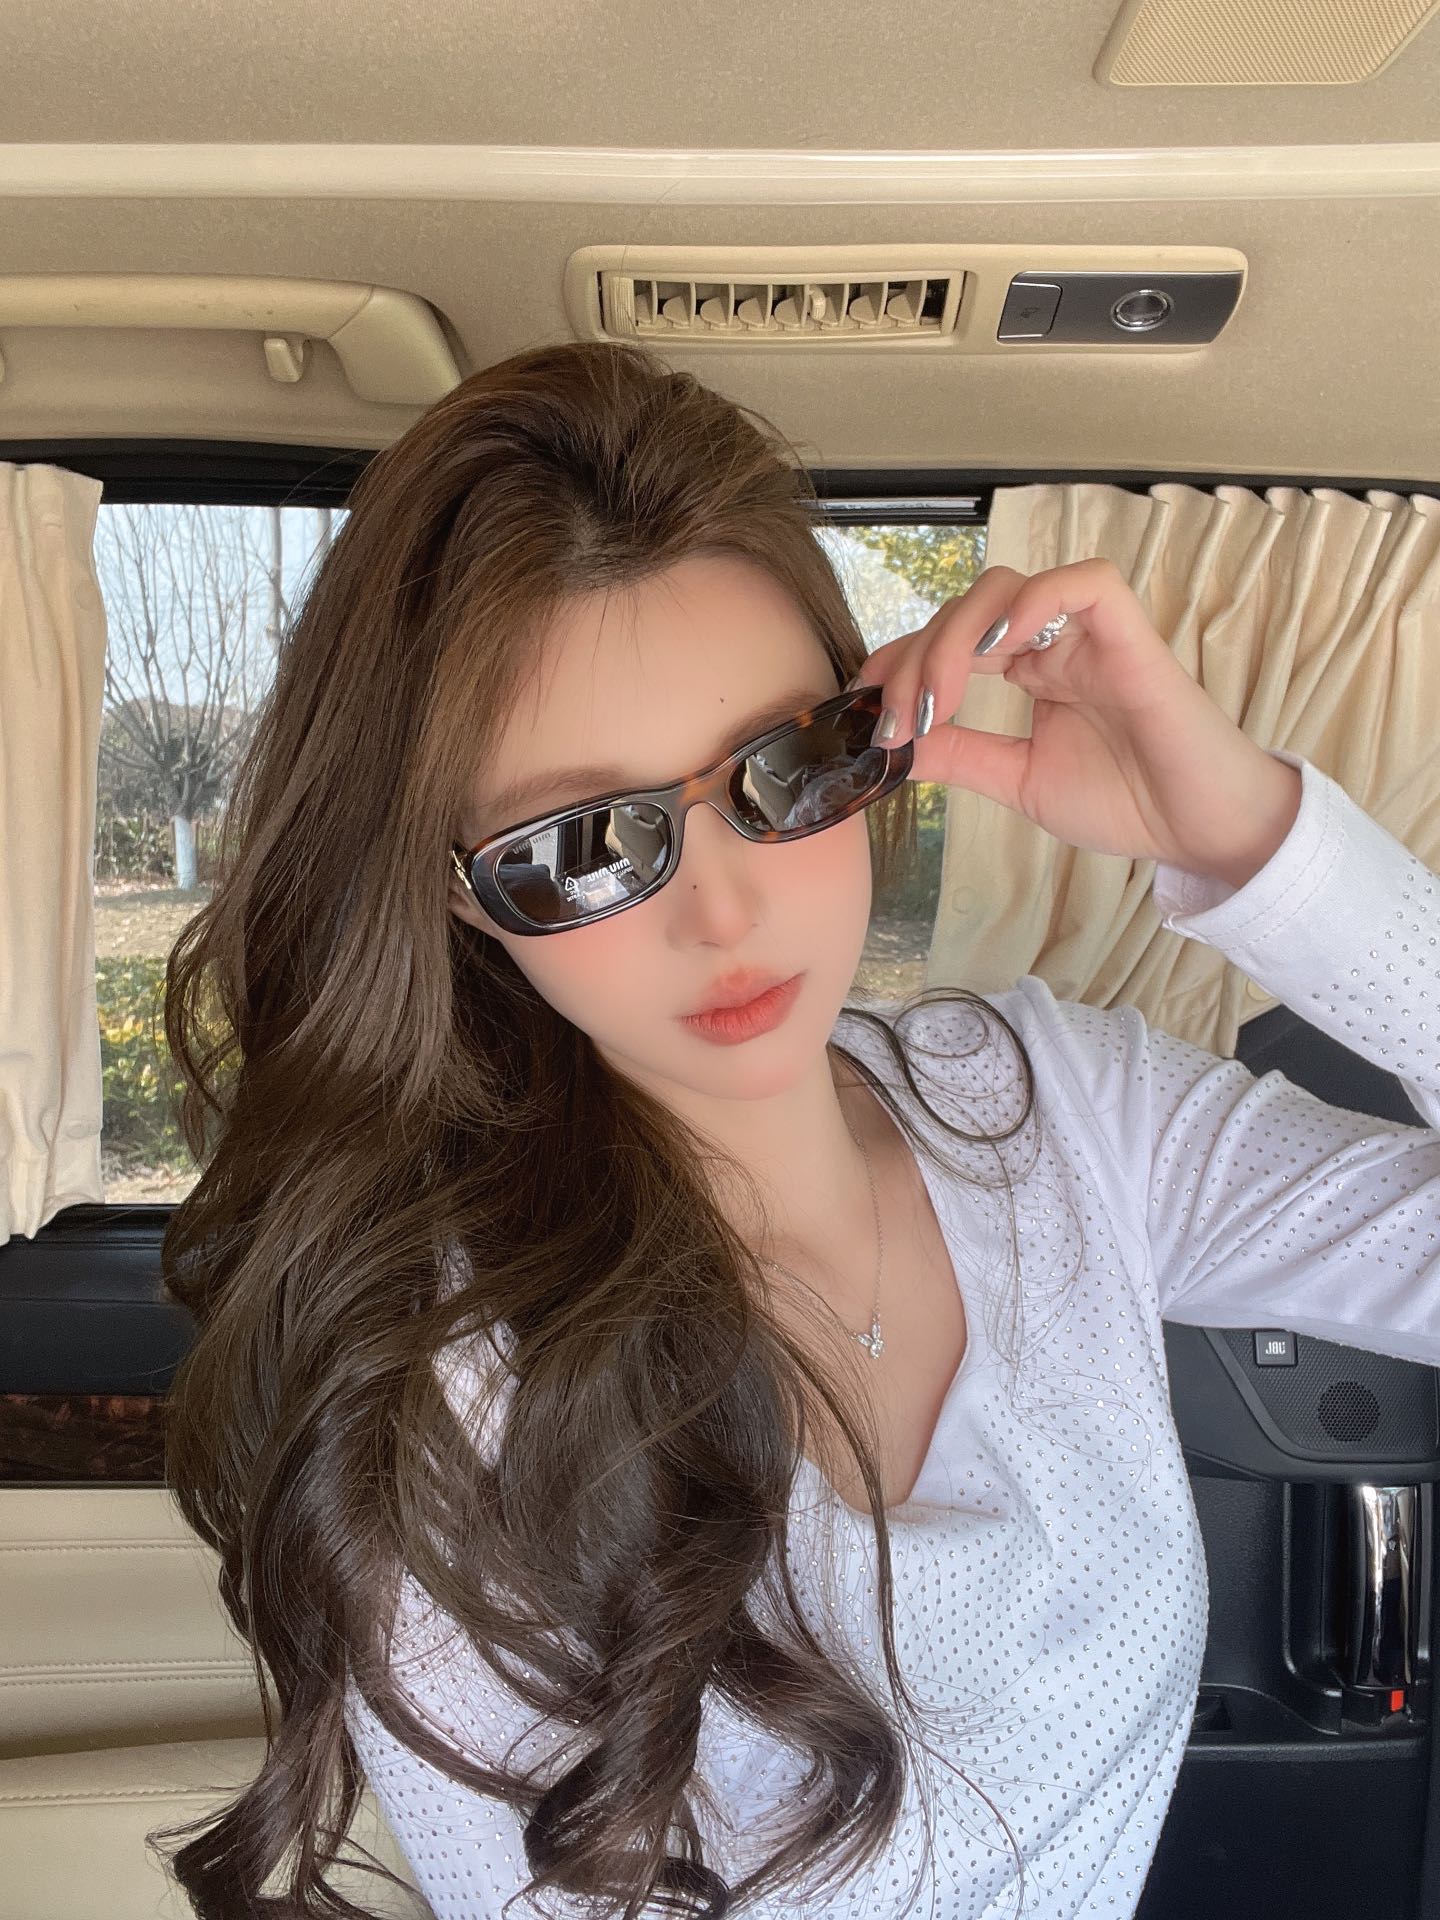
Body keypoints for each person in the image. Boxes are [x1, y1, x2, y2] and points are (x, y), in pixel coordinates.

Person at [151, 339, 1440, 1920]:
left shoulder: (1057, 1107)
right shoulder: (449, 1387)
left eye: (787, 768)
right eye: (581, 844)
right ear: (458, 895)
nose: (729, 913)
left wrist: (1253, 845)